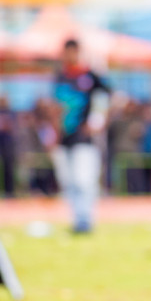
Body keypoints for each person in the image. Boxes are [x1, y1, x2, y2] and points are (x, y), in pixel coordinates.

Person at [49, 38, 108, 234]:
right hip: (65, 138)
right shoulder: (60, 77)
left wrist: (96, 121)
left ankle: (85, 220)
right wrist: (54, 133)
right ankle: (77, 220)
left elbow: (107, 97)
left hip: (84, 139)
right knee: (68, 182)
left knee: (84, 180)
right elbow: (55, 108)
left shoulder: (90, 76)